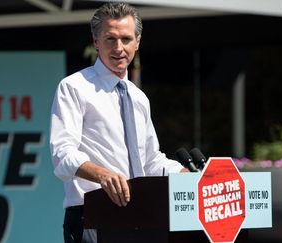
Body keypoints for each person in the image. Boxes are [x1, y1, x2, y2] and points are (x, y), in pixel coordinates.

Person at [50, 2, 188, 243]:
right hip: (92, 215)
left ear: (137, 42)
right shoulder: (74, 87)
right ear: (95, 42)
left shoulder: (138, 97)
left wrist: (186, 174)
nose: (119, 48)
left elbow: (150, 161)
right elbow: (62, 154)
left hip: (142, 216)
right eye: (109, 39)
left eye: (126, 39)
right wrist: (102, 175)